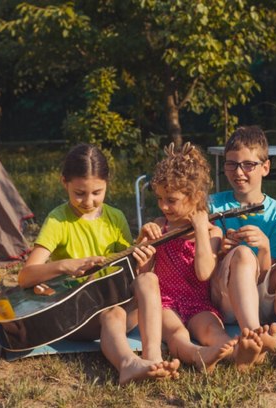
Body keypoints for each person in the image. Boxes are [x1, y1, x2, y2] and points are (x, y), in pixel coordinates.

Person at [18, 143, 179, 385]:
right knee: (111, 313)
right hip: (79, 317)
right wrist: (66, 265)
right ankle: (127, 364)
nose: (89, 201)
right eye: (79, 193)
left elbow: (133, 273)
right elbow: (25, 276)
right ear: (65, 183)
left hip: (119, 305)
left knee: (149, 279)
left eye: (97, 192)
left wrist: (142, 251)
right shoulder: (58, 220)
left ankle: (153, 358)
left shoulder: (116, 218)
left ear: (107, 183)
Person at [137, 142, 265, 372]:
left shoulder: (212, 231)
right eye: (159, 199)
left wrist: (199, 229)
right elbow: (143, 275)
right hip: (165, 303)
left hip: (199, 302)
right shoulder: (159, 226)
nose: (163, 206)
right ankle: (199, 356)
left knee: (215, 333)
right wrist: (143, 241)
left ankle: (240, 354)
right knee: (177, 334)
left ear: (195, 198)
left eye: (171, 200)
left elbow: (204, 272)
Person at [209, 126, 276, 375]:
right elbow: (202, 265)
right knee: (242, 254)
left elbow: (268, 274)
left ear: (265, 167)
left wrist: (263, 246)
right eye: (231, 164)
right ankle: (254, 335)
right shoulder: (211, 205)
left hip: (262, 298)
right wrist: (220, 252)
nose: (239, 172)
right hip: (225, 298)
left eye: (248, 165)